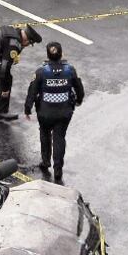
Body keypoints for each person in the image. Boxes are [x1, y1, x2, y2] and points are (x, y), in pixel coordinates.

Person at [23, 41, 84, 183]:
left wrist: (27, 109)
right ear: (61, 54)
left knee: (44, 134)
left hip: (45, 113)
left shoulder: (41, 71)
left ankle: (45, 162)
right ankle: (58, 169)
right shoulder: (70, 70)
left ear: (47, 55)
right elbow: (79, 88)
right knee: (59, 138)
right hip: (64, 113)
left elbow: (32, 92)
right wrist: (79, 100)